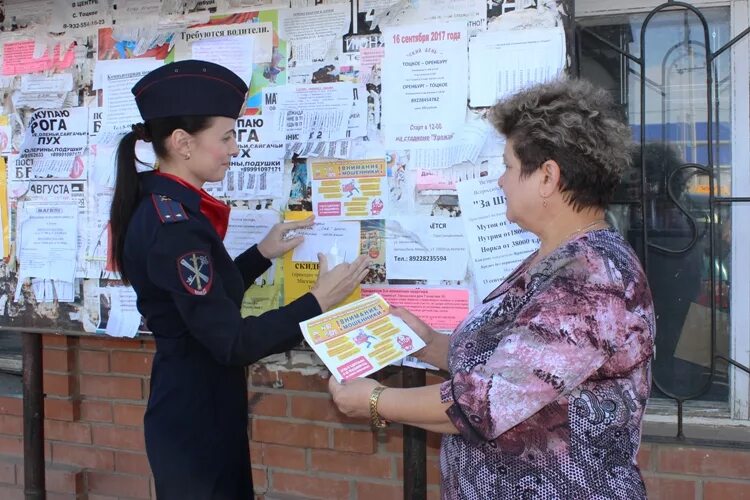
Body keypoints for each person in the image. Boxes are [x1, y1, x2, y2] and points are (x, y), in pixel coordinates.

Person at [329, 79, 655, 500]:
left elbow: (486, 403)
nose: (500, 182)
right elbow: (519, 369)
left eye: (507, 166)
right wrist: (428, 343)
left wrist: (376, 401)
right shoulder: (557, 258)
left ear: (547, 177)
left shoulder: (590, 277)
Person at [109, 60, 370, 499]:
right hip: (196, 419)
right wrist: (318, 301)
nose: (234, 149)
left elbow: (202, 295)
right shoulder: (177, 227)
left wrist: (261, 254)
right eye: (226, 137)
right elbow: (231, 341)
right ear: (183, 143)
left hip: (195, 405)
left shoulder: (162, 207)